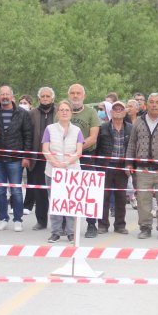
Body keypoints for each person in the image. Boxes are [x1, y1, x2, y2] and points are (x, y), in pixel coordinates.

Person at [126, 93, 158, 240]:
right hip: (143, 169)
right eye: (152, 102)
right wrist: (128, 163)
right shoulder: (138, 122)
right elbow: (131, 144)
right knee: (143, 201)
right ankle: (145, 227)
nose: (154, 105)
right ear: (147, 104)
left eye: (157, 102)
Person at [0, 85, 33, 232]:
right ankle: (3, 219)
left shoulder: (22, 113)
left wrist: (26, 156)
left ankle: (18, 219)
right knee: (0, 191)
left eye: (7, 94)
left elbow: (28, 135)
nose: (4, 96)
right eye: (2, 94)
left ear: (12, 96)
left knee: (16, 191)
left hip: (15, 158)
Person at [43, 100, 84, 243]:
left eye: (67, 110)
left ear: (71, 113)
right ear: (58, 113)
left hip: (72, 171)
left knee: (70, 203)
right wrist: (55, 164)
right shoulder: (49, 129)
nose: (64, 112)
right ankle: (55, 232)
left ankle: (71, 232)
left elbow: (78, 151)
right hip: (52, 171)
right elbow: (45, 150)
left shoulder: (77, 130)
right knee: (55, 202)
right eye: (62, 110)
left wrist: (66, 163)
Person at [67, 84, 102, 238]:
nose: (75, 96)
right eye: (73, 93)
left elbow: (93, 137)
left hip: (86, 156)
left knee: (89, 192)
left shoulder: (91, 112)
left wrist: (77, 150)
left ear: (84, 95)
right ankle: (65, 226)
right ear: (69, 95)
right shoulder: (63, 110)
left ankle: (91, 225)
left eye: (78, 93)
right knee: (66, 191)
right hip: (66, 158)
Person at [95, 100, 132, 234]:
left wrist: (130, 165)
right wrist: (97, 165)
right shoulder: (103, 127)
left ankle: (120, 225)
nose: (117, 111)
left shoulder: (130, 128)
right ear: (111, 112)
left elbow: (132, 148)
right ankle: (103, 224)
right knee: (103, 196)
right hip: (105, 166)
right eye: (115, 109)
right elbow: (97, 148)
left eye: (120, 109)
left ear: (124, 112)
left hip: (122, 168)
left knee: (121, 197)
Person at [25, 87, 55, 230]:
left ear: (52, 98)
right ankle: (41, 221)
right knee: (40, 191)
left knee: (57, 192)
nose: (45, 98)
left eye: (47, 96)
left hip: (56, 159)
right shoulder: (32, 114)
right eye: (42, 96)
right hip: (37, 158)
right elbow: (27, 135)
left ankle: (59, 223)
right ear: (39, 99)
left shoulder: (60, 112)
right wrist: (27, 155)